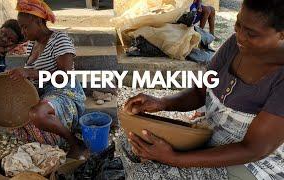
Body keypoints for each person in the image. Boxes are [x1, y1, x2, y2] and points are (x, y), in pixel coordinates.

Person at [120, 0, 284, 179]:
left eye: (251, 34)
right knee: (130, 143)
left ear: (281, 34)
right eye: (238, 24)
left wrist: (174, 158)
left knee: (147, 175)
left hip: (253, 165)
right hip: (210, 139)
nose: (240, 36)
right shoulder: (235, 45)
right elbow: (200, 91)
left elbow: (253, 149)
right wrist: (162, 102)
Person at [0, 0, 86, 158]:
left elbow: (65, 76)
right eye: (21, 27)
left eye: (25, 26)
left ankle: (75, 144)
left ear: (38, 21)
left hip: (64, 93)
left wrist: (32, 73)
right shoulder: (32, 45)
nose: (22, 31)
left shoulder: (59, 39)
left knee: (37, 114)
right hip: (40, 92)